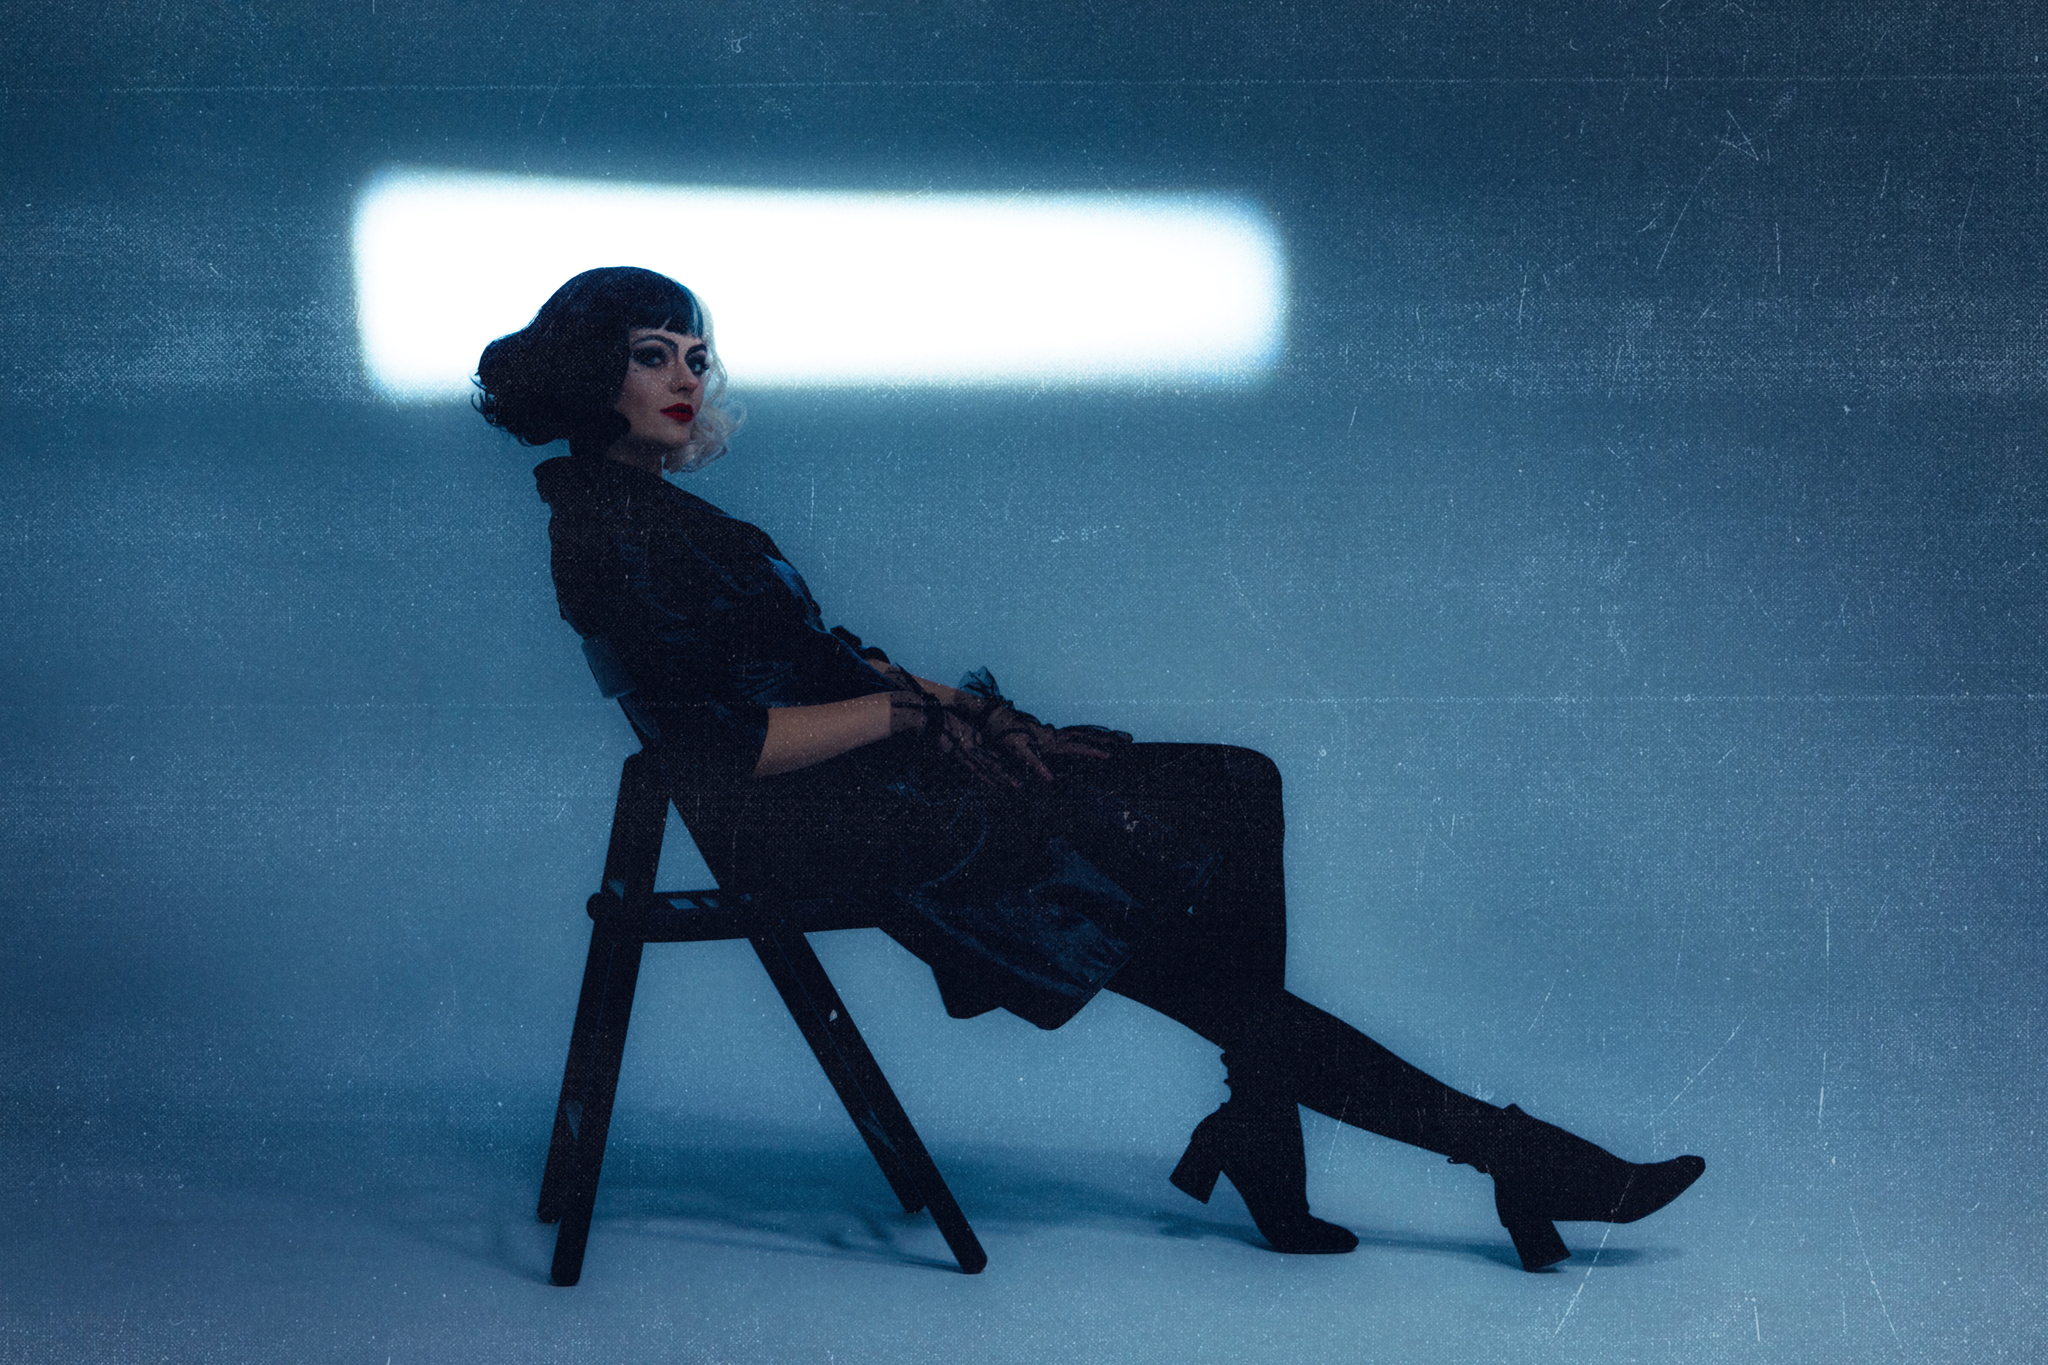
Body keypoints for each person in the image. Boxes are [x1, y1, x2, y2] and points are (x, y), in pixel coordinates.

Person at [476, 266, 1704, 1270]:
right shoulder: (607, 530)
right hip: (839, 828)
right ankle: (1443, 1154)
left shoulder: (653, 514)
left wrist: (951, 708)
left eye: (696, 356)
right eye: (652, 355)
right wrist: (904, 717)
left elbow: (809, 668)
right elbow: (719, 746)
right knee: (1221, 845)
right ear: (590, 371)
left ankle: (1344, 1140)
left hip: (883, 798)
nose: (686, 378)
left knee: (1231, 822)